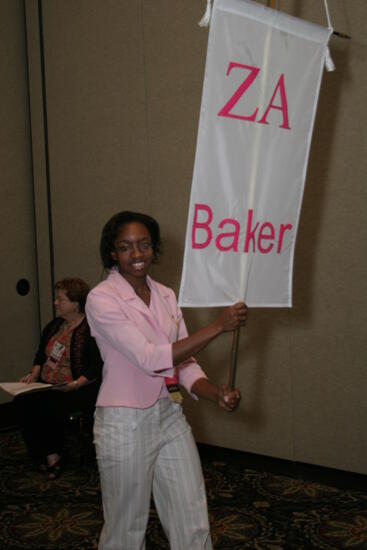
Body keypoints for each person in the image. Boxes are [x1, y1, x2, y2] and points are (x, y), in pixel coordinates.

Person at [85, 211, 248, 550]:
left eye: (144, 244)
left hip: (170, 415)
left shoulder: (166, 295)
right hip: (124, 421)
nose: (137, 254)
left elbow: (184, 362)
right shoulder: (102, 298)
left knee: (192, 518)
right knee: (126, 529)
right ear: (112, 253)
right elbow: (150, 357)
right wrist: (219, 326)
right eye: (126, 247)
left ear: (154, 248)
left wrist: (214, 392)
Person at [14, 277, 103, 479]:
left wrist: (75, 384)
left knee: (48, 406)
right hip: (47, 384)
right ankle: (42, 454)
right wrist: (34, 374)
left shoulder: (91, 329)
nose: (55, 303)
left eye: (60, 299)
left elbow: (97, 366)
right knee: (21, 403)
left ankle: (54, 455)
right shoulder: (54, 326)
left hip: (79, 387)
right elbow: (40, 355)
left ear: (76, 303)